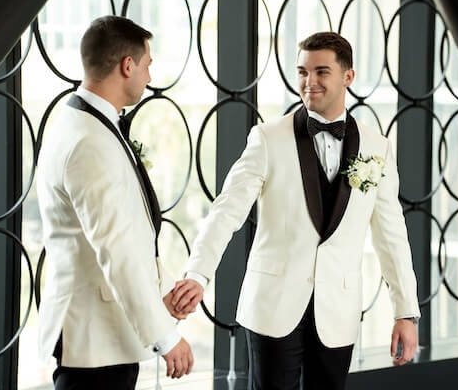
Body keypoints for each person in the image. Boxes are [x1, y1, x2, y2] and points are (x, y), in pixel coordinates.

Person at [168, 31, 421, 389]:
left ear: (348, 76)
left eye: (321, 71)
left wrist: (405, 312)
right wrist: (198, 274)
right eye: (302, 71)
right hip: (273, 306)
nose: (309, 81)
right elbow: (226, 211)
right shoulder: (268, 137)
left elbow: (391, 234)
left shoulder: (376, 147)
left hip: (338, 311)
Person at [36, 16, 193, 389]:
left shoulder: (87, 124)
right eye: (147, 65)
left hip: (105, 338)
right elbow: (116, 249)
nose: (149, 76)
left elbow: (130, 232)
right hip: (93, 343)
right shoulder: (88, 141)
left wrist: (162, 294)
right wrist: (165, 337)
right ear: (127, 66)